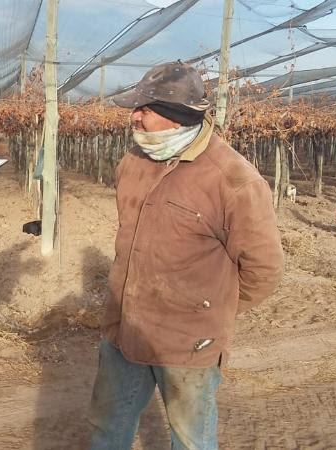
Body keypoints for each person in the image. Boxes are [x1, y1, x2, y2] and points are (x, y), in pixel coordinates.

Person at [88, 61, 285, 450]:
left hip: (187, 343)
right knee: (106, 427)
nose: (135, 117)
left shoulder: (233, 180)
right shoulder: (133, 163)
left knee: (190, 440)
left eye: (144, 109)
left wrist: (204, 310)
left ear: (176, 116)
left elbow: (265, 269)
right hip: (125, 327)